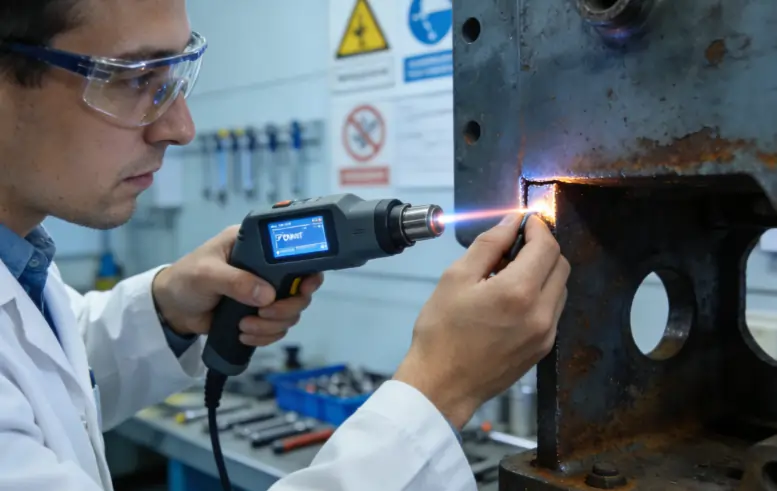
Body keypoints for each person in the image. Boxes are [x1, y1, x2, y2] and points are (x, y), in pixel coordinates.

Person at [0, 1, 570, 490]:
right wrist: (442, 388)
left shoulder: (24, 262)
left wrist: (166, 310)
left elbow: (52, 367)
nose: (180, 127)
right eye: (132, 78)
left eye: (177, 74)